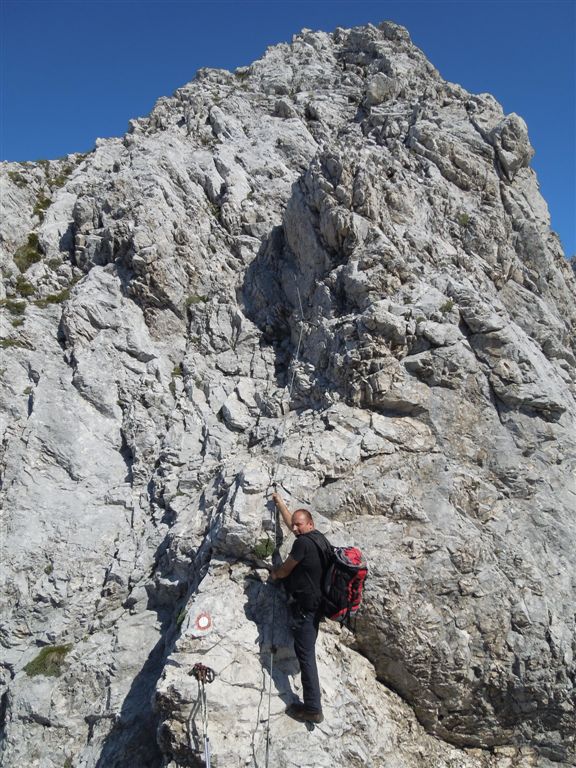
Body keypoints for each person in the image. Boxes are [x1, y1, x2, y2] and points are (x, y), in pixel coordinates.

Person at [269, 491, 329, 724]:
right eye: (294, 525)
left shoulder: (303, 543)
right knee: (307, 652)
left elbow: (284, 570)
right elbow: (290, 522)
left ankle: (313, 708)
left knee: (306, 657)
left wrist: (274, 574)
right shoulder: (319, 539)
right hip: (317, 607)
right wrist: (280, 503)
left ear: (310, 524)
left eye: (299, 525)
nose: (295, 528)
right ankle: (313, 704)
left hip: (305, 610)